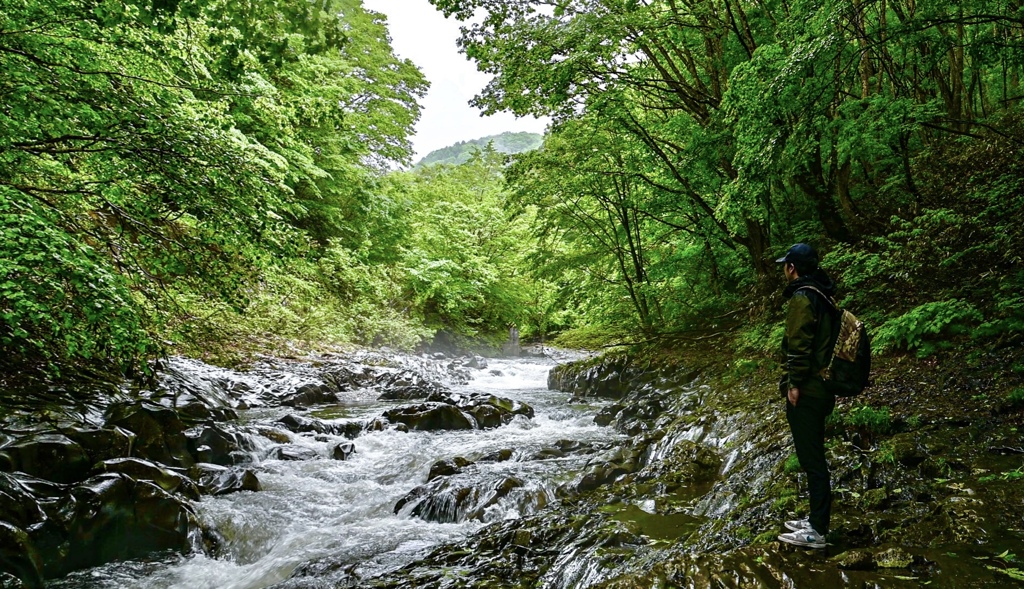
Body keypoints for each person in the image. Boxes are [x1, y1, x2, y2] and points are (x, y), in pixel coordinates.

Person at [774, 243, 837, 549]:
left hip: (809, 389)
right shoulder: (823, 293)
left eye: (785, 265)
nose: (784, 269)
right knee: (814, 457)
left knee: (812, 460)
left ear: (793, 268)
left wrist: (793, 384)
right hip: (822, 387)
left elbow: (799, 345)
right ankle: (815, 519)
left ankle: (817, 530)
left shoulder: (803, 297)